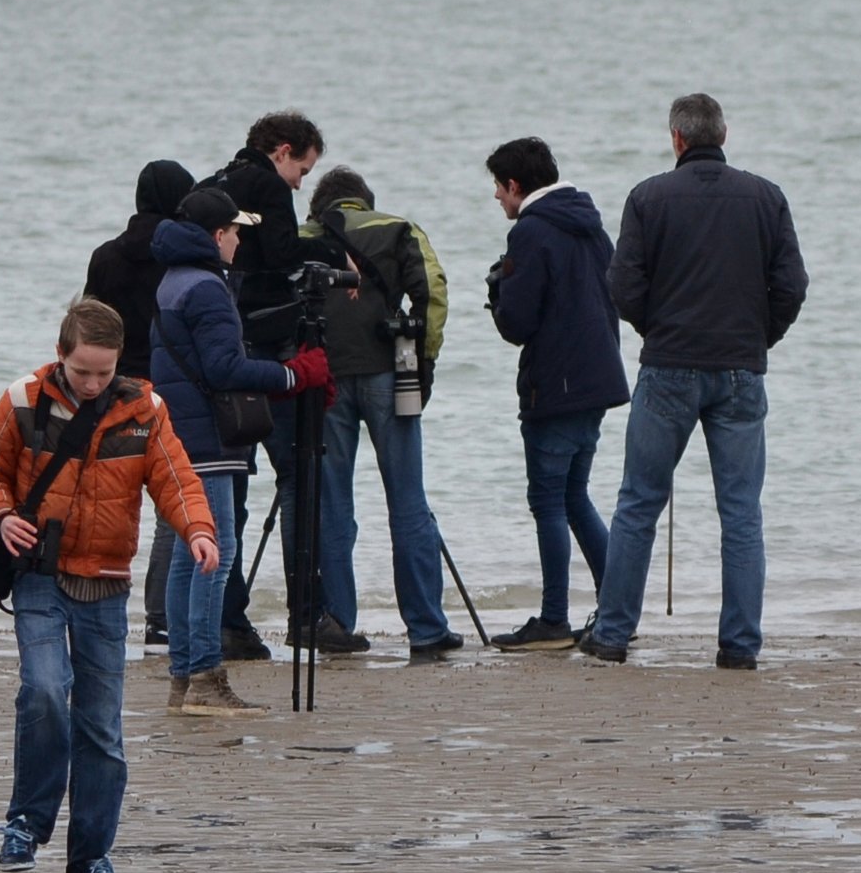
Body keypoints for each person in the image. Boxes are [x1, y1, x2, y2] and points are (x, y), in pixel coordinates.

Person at [0, 296, 218, 873]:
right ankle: (26, 824)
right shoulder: (23, 400)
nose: (91, 382)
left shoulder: (145, 409)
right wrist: (1, 517)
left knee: (102, 731)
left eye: (104, 372)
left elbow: (176, 479)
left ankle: (90, 858)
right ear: (61, 355)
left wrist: (200, 532)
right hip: (38, 576)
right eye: (82, 370)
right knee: (44, 692)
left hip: (106, 587)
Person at [587, 93, 810, 668]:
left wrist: (656, 328)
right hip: (740, 368)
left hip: (668, 365)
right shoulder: (766, 196)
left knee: (638, 503)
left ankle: (612, 636)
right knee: (741, 513)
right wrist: (761, 337)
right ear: (724, 134)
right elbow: (791, 285)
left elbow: (623, 285)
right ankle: (739, 646)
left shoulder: (648, 196)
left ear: (677, 138)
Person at [147, 186, 333, 714]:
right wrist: (295, 373)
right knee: (218, 551)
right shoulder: (206, 287)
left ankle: (185, 677)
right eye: (234, 232)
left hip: (180, 430)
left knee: (191, 552)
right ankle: (205, 677)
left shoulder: (172, 280)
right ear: (216, 235)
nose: (238, 242)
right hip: (208, 433)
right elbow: (224, 369)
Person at [301, 166, 459, 660]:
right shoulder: (398, 228)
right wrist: (424, 358)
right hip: (393, 374)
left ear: (320, 206)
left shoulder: (301, 237)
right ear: (364, 202)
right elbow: (431, 293)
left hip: (323, 376)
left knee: (331, 504)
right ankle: (427, 629)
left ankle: (338, 626)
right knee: (408, 502)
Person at [484, 136, 630, 652]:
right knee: (573, 495)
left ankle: (553, 619)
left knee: (547, 497)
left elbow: (519, 323)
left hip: (558, 383)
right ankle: (618, 605)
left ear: (516, 185)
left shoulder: (531, 231)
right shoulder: (588, 222)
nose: (497, 199)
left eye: (498, 189)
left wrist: (498, 291)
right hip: (597, 377)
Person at [199, 113, 329, 658]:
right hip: (268, 348)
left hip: (224, 345)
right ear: (282, 152)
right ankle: (306, 616)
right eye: (302, 167)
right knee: (299, 476)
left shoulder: (215, 184)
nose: (301, 181)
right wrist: (328, 255)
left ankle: (227, 620)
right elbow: (279, 254)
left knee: (231, 489)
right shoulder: (270, 188)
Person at [83, 158, 203, 648]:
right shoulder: (179, 258)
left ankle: (96, 597)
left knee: (108, 497)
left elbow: (88, 322)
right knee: (169, 502)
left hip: (108, 385)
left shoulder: (106, 256)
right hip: (162, 385)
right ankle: (160, 616)